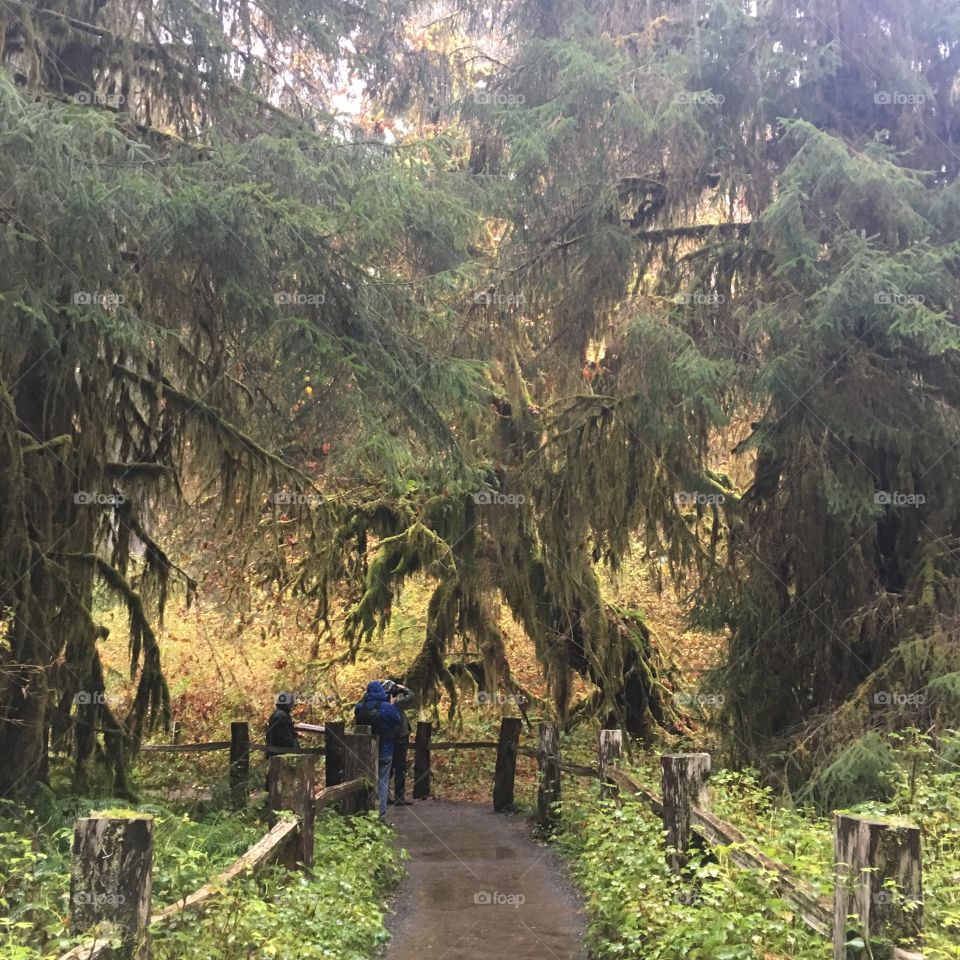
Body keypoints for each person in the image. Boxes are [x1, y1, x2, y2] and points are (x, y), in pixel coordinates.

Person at [354, 680, 403, 818]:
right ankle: (380, 816)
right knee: (382, 783)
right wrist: (392, 705)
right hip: (385, 751)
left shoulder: (359, 708)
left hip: (364, 752)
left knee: (364, 782)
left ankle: (363, 814)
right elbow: (396, 720)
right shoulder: (387, 708)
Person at [383, 679, 414, 805]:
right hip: (400, 739)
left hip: (388, 739)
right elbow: (411, 696)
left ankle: (385, 796)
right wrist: (403, 688)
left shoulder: (382, 705)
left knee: (388, 768)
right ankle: (399, 797)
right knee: (400, 768)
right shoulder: (397, 705)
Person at [265, 691, 300, 791]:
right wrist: (293, 744)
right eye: (291, 702)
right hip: (281, 752)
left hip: (275, 750)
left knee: (274, 774)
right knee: (279, 776)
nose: (292, 705)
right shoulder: (282, 716)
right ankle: (272, 796)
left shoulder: (277, 714)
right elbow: (284, 738)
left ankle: (269, 795)